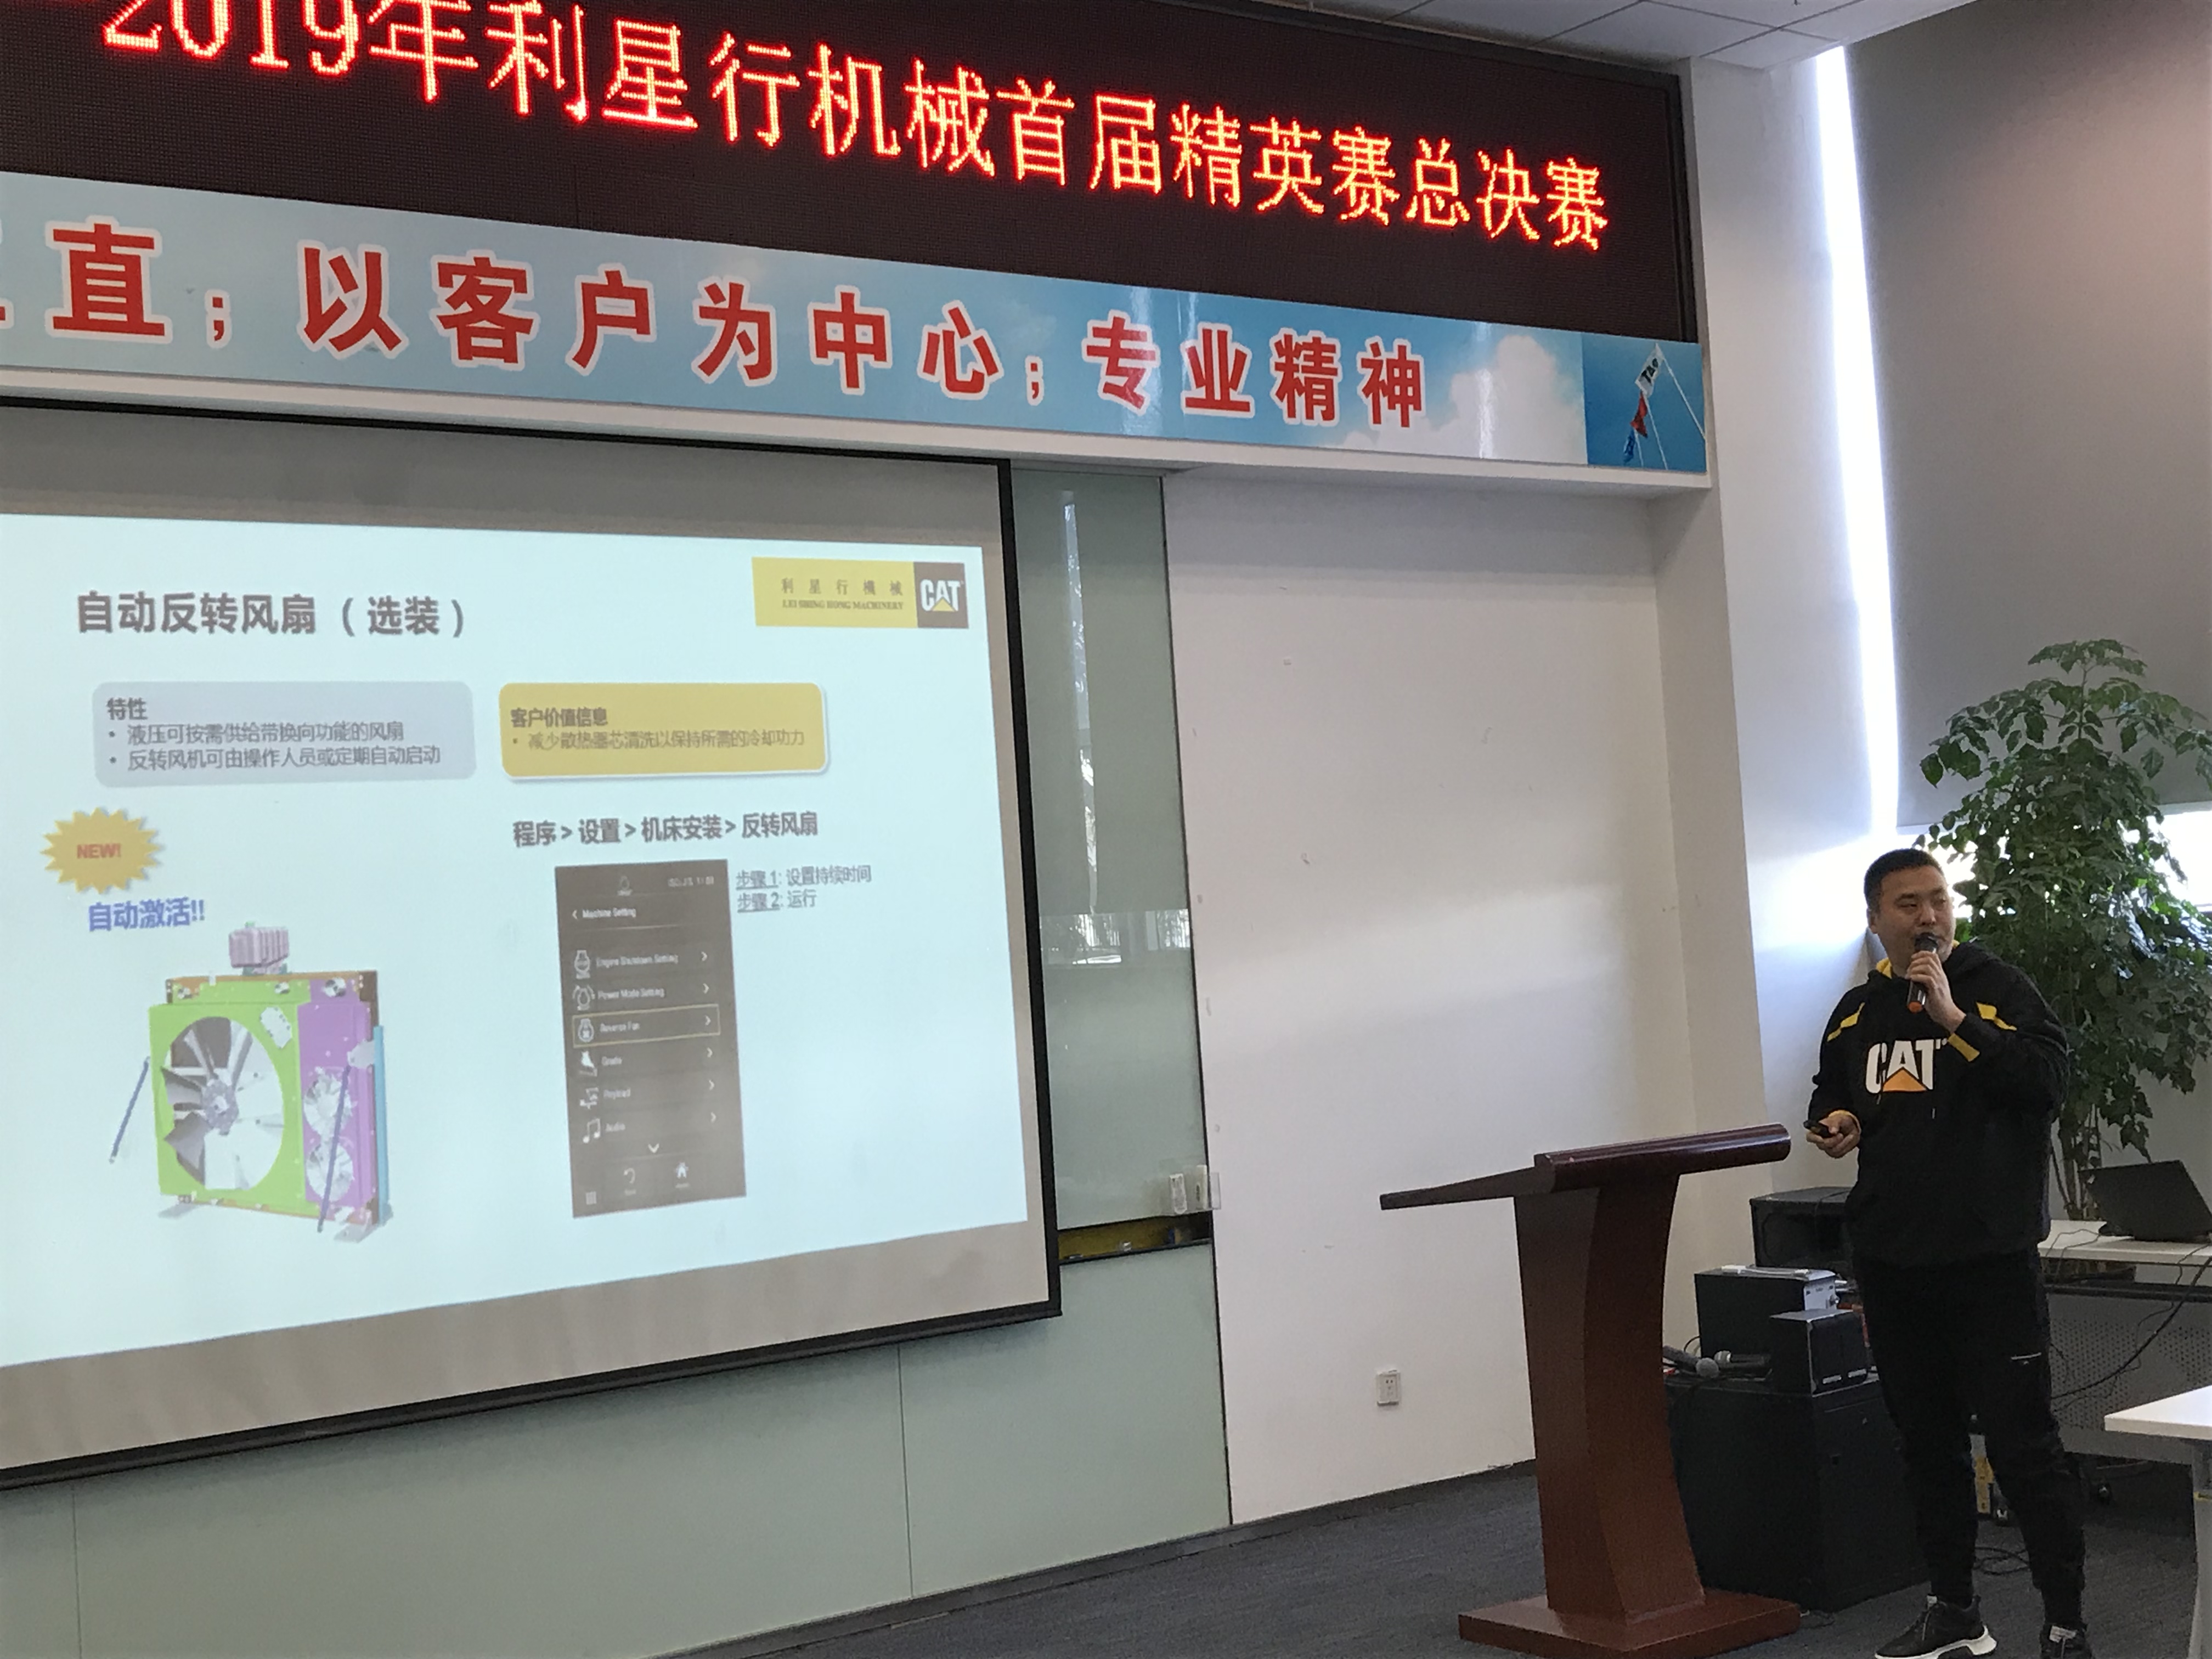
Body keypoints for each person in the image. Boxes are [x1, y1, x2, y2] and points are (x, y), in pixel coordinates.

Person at [1808, 848, 2085, 1659]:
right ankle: (1955, 1610)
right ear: (1875, 920)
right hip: (1895, 1263)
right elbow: (1832, 1090)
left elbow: (2044, 1083)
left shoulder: (1997, 989)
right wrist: (1838, 1122)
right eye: (1908, 904)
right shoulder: (1856, 1012)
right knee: (1926, 1446)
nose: (1928, 916)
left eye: (1938, 899)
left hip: (1989, 1264)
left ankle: (2065, 1625)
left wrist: (1956, 1020)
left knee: (2023, 1448)